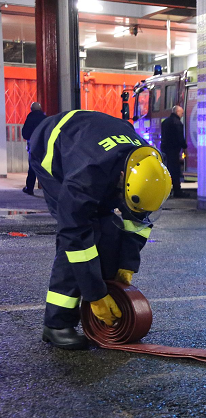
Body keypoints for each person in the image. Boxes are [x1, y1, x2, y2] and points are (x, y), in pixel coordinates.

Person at [29, 110, 172, 350]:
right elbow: (74, 234)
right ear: (122, 179)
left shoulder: (150, 166)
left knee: (108, 229)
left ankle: (104, 298)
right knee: (81, 237)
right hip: (52, 150)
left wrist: (127, 263)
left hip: (97, 151)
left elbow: (136, 221)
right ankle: (56, 324)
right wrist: (94, 294)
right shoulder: (84, 179)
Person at [160, 105, 188, 198]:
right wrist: (184, 147)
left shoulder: (165, 122)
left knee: (167, 170)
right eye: (182, 113)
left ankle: (166, 191)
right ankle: (177, 191)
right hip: (173, 151)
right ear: (177, 112)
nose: (182, 115)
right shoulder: (177, 123)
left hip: (165, 150)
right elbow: (180, 138)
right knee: (175, 171)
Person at [21, 102, 46, 195]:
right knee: (44, 168)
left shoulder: (30, 118)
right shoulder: (45, 118)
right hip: (44, 145)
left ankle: (30, 188)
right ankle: (48, 189)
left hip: (33, 145)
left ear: (31, 109)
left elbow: (25, 133)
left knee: (32, 167)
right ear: (40, 108)